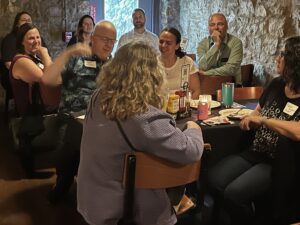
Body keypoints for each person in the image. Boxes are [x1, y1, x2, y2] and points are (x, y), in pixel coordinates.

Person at [77, 41, 204, 225]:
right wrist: (194, 129)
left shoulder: (98, 97)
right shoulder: (142, 117)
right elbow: (190, 151)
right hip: (123, 211)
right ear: (153, 75)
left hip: (90, 200)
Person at [207, 36, 300, 225]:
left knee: (234, 193)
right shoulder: (276, 84)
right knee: (213, 179)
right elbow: (257, 111)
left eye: (283, 54)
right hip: (255, 151)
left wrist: (265, 120)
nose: (277, 58)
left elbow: (297, 131)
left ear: (295, 61)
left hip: (278, 162)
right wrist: (251, 118)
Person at [42, 20, 117, 203]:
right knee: (72, 144)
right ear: (93, 38)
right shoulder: (77, 59)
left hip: (101, 122)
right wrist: (69, 52)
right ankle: (63, 186)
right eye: (104, 39)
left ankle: (102, 193)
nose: (108, 44)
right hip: (71, 119)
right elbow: (48, 80)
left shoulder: (113, 65)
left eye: (112, 40)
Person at [9, 23, 52, 116]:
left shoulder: (35, 57)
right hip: (31, 119)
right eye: (31, 38)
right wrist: (45, 53)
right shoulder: (21, 61)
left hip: (43, 113)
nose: (36, 41)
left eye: (38, 37)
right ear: (22, 42)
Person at [197, 12, 243, 85]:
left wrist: (207, 73)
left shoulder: (236, 43)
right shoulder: (202, 44)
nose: (216, 28)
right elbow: (202, 66)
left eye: (220, 24)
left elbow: (231, 69)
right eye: (212, 25)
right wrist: (216, 45)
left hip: (231, 87)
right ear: (208, 28)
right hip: (208, 87)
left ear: (227, 26)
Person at [159, 27, 200, 99]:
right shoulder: (152, 63)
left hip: (182, 107)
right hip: (159, 108)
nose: (163, 45)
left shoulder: (186, 62)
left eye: (168, 43)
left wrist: (188, 107)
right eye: (161, 42)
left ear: (177, 46)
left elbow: (196, 91)